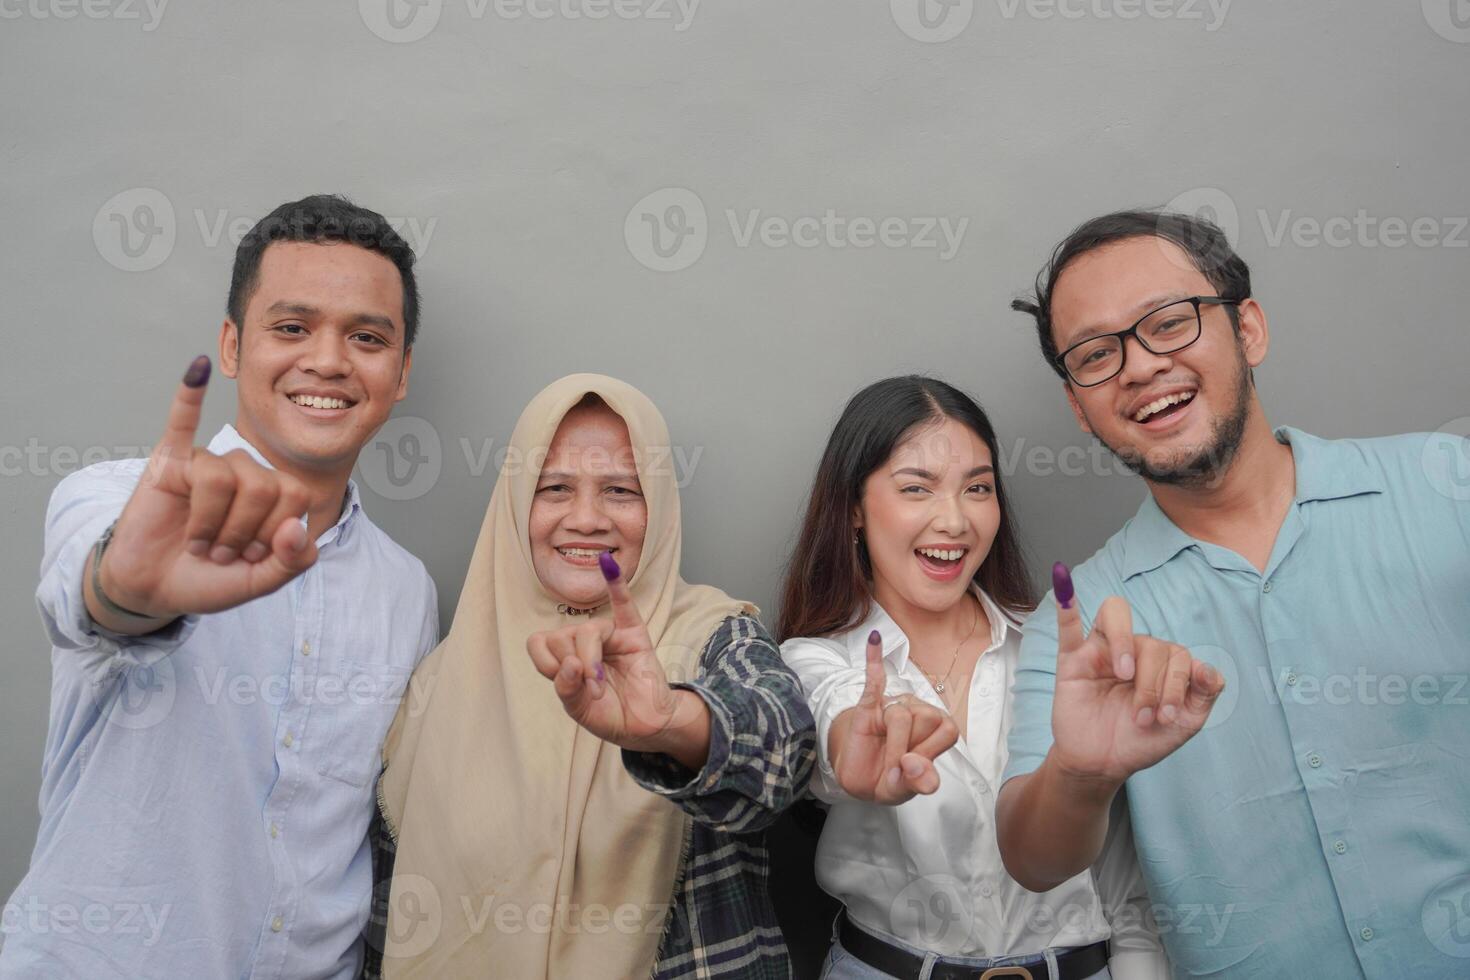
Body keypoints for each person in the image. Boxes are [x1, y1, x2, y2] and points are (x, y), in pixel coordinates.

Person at [997, 209, 1470, 977]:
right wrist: (1081, 775)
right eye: (1094, 354)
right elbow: (1032, 860)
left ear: (1247, 330)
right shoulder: (1084, 618)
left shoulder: (1449, 490)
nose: (1141, 366)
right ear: (1079, 408)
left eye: (1169, 323)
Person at [1, 195, 439, 978]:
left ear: (401, 372)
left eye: (367, 338)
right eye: (292, 327)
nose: (330, 361)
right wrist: (132, 593)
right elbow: (101, 596)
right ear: (233, 346)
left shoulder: (408, 593)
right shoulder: (112, 501)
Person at [367, 374, 817, 979]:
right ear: (515, 503)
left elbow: (784, 757)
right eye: (554, 488)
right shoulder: (441, 677)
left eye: (620, 490)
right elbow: (390, 913)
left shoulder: (715, 634)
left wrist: (670, 724)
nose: (586, 519)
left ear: (656, 506)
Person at [779, 376, 1166, 980]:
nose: (955, 520)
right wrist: (855, 745)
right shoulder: (813, 661)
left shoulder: (1056, 647)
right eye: (917, 489)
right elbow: (836, 724)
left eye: (977, 488)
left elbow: (1123, 876)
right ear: (853, 507)